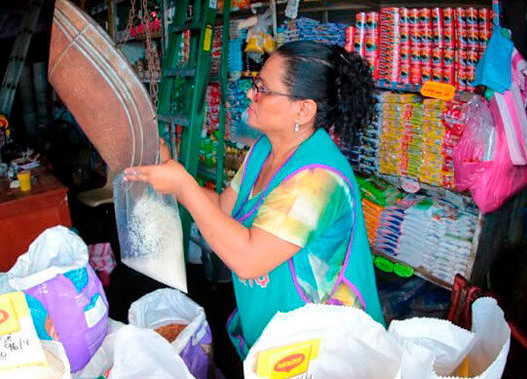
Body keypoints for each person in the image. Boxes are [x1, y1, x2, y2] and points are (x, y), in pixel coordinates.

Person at [125, 41, 385, 358]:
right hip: (278, 339)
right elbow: (222, 211)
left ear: (303, 110)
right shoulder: (264, 149)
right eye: (254, 84)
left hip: (327, 356)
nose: (251, 94)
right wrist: (170, 173)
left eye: (263, 89)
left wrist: (183, 187)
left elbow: (249, 258)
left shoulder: (318, 179)